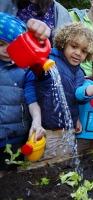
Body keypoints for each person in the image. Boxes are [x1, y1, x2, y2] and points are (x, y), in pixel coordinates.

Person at [35, 22, 93, 160]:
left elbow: (74, 98)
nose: (78, 53)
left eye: (84, 51)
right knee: (44, 166)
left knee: (64, 163)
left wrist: (76, 119)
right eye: (74, 46)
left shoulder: (80, 73)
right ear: (64, 42)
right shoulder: (51, 60)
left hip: (69, 130)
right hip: (48, 128)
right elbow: (38, 73)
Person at [0, 13, 49, 171]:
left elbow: (31, 99)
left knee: (11, 178)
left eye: (13, 44)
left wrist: (37, 120)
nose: (7, 50)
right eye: (1, 43)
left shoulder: (25, 69)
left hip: (16, 139)